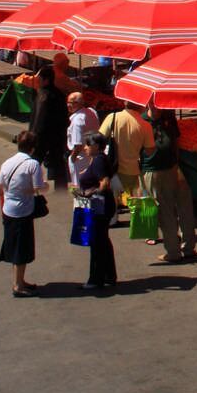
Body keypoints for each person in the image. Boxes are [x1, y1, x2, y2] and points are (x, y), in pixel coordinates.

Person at [0, 128, 45, 297]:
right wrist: (43, 187)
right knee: (22, 251)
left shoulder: (7, 163)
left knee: (15, 247)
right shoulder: (33, 164)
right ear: (33, 148)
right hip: (23, 211)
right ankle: (18, 285)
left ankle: (20, 280)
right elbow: (38, 188)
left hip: (8, 209)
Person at [144, 106, 195, 265]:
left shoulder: (168, 117)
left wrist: (176, 162)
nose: (155, 104)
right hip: (155, 170)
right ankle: (175, 250)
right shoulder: (142, 120)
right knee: (166, 211)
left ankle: (184, 248)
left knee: (183, 206)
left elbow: (176, 142)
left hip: (171, 167)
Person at [73, 129, 120, 296]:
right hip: (103, 206)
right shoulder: (98, 159)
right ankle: (108, 275)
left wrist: (89, 192)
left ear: (97, 146)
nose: (85, 147)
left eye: (88, 144)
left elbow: (104, 183)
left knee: (97, 243)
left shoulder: (99, 160)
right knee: (103, 241)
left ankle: (96, 278)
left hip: (100, 207)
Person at [99, 98, 146, 209]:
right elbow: (149, 149)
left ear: (125, 103)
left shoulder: (112, 117)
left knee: (112, 200)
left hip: (114, 168)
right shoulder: (144, 124)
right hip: (134, 170)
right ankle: (137, 222)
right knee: (136, 203)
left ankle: (113, 220)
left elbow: (99, 139)